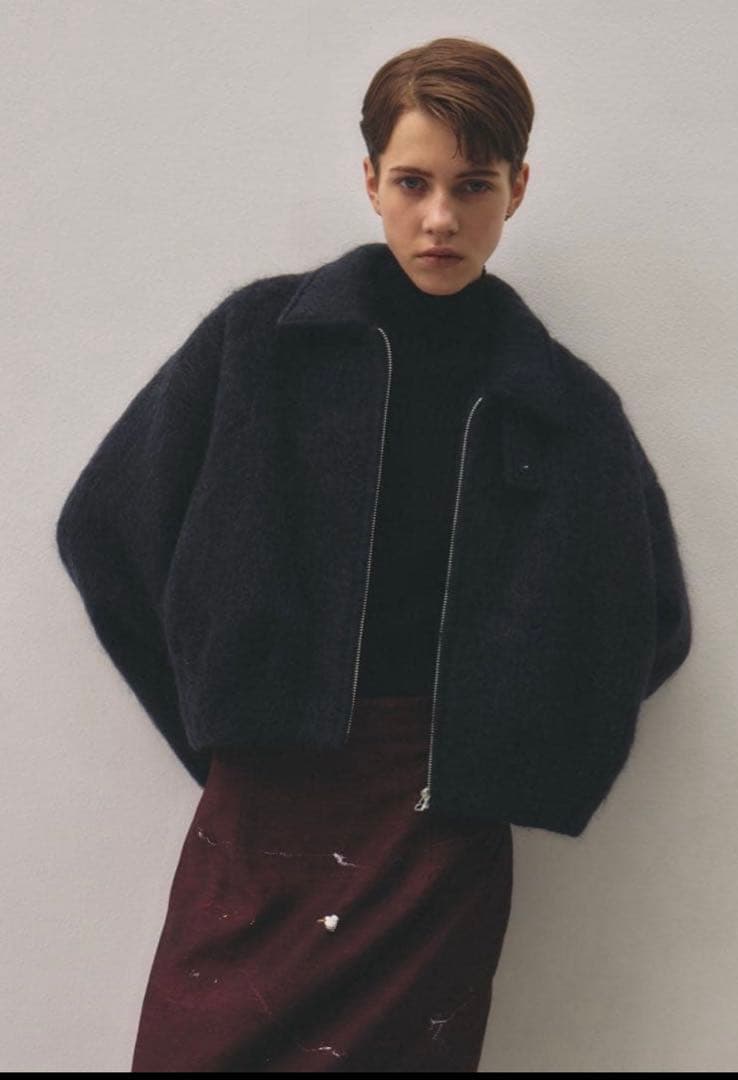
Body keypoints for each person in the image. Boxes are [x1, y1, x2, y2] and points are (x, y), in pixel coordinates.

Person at [55, 35, 692, 1073]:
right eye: (412, 182)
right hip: (263, 806)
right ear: (369, 181)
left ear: (517, 189)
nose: (440, 218)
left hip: (437, 829)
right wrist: (222, 716)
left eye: (472, 186)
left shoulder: (562, 406)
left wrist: (510, 748)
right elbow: (102, 530)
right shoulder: (260, 344)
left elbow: (647, 623)